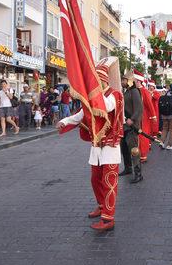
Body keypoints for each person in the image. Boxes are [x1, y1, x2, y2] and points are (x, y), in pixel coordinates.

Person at [57, 57, 124, 232]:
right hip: (96, 146)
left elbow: (107, 107)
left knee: (109, 182)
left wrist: (94, 93)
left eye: (96, 81)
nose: (93, 85)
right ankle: (101, 206)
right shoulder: (94, 97)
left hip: (110, 146)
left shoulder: (114, 95)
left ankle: (108, 218)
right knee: (95, 179)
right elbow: (80, 114)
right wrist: (64, 122)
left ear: (103, 80)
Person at [120, 70, 143, 183]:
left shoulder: (134, 91)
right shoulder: (126, 92)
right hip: (124, 126)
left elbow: (139, 108)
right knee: (124, 149)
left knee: (134, 150)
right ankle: (128, 168)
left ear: (129, 81)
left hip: (132, 126)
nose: (122, 81)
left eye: (124, 80)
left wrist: (132, 119)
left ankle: (138, 174)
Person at [134, 71, 157, 164]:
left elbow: (149, 104)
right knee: (137, 136)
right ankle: (137, 152)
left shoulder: (144, 91)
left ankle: (143, 155)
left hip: (144, 118)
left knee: (143, 136)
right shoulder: (134, 90)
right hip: (136, 117)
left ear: (138, 81)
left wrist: (153, 116)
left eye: (134, 80)